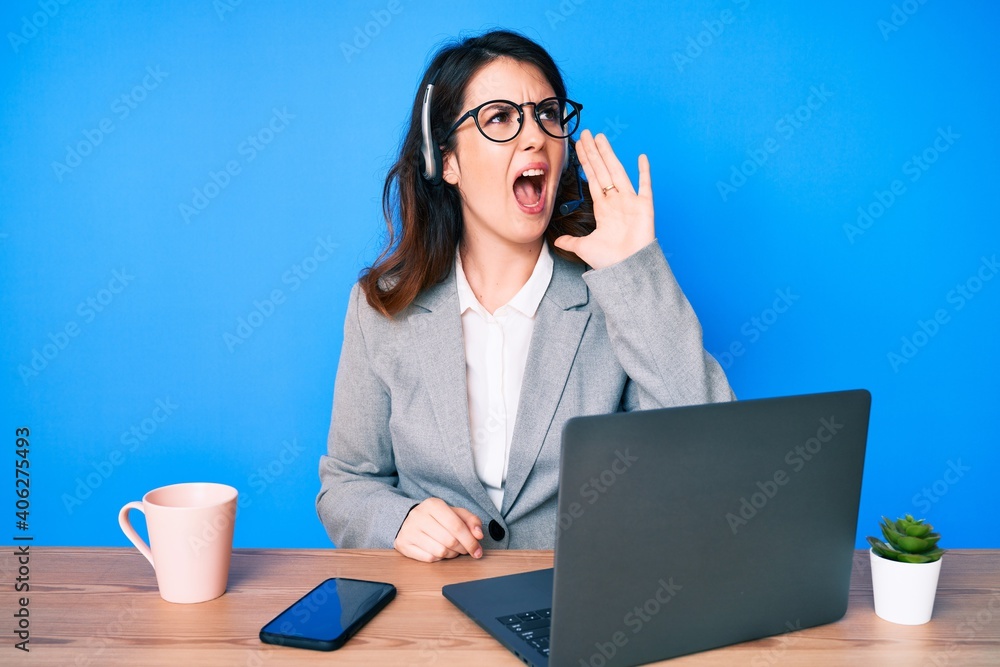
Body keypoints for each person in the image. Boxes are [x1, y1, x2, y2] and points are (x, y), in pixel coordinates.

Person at [316, 29, 734, 563]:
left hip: (585, 609)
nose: (535, 136)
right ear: (446, 162)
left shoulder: (615, 295)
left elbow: (712, 449)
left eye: (548, 115)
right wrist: (399, 520)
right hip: (431, 617)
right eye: (499, 118)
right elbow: (347, 485)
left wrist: (637, 274)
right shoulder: (382, 308)